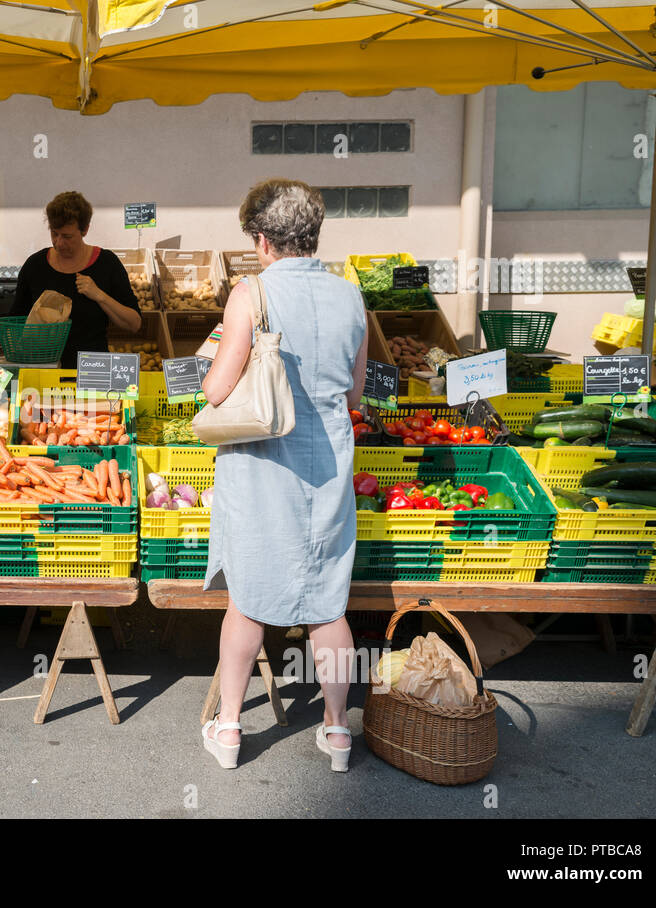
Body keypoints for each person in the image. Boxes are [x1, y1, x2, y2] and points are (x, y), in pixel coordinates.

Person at [199, 179, 369, 772]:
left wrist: (212, 359)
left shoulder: (251, 293)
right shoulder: (352, 296)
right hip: (328, 462)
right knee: (328, 604)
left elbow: (218, 389)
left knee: (247, 601)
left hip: (262, 462)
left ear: (262, 239)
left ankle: (228, 730)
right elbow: (355, 391)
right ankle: (338, 733)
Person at [9, 191, 142, 368]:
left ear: (85, 229)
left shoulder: (107, 263)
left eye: (67, 236)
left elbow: (134, 324)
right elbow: (15, 323)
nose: (59, 243)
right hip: (43, 369)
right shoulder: (35, 266)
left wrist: (99, 295)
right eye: (54, 233)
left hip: (93, 370)